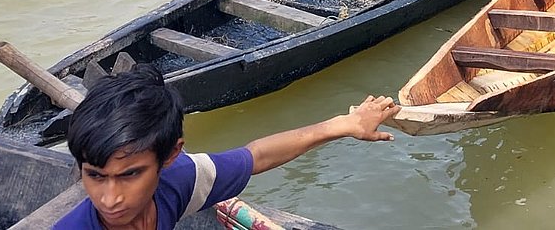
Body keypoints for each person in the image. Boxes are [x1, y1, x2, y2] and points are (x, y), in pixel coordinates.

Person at [53, 64, 396, 230]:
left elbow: (256, 155)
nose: (110, 199)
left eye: (130, 175)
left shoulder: (180, 180)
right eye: (95, 175)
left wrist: (342, 125)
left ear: (170, 156)